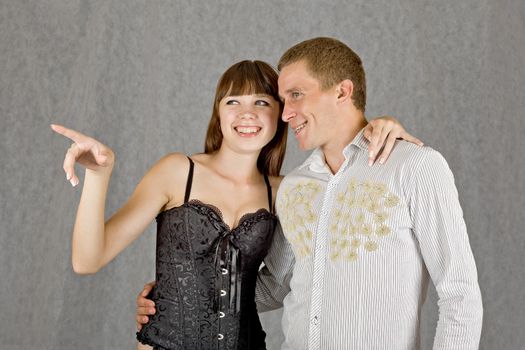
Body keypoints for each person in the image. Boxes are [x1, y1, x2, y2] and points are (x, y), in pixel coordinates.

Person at [136, 38, 484, 349]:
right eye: (283, 100)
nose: (285, 114)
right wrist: (179, 291)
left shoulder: (415, 167)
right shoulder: (295, 186)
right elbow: (271, 286)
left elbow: (460, 294)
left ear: (342, 92)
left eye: (296, 95)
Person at [53, 59, 416, 350]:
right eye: (233, 102)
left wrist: (381, 126)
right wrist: (99, 176)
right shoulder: (178, 172)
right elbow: (87, 260)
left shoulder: (286, 191)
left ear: (282, 114)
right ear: (219, 114)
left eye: (262, 102)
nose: (247, 113)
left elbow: (345, 194)